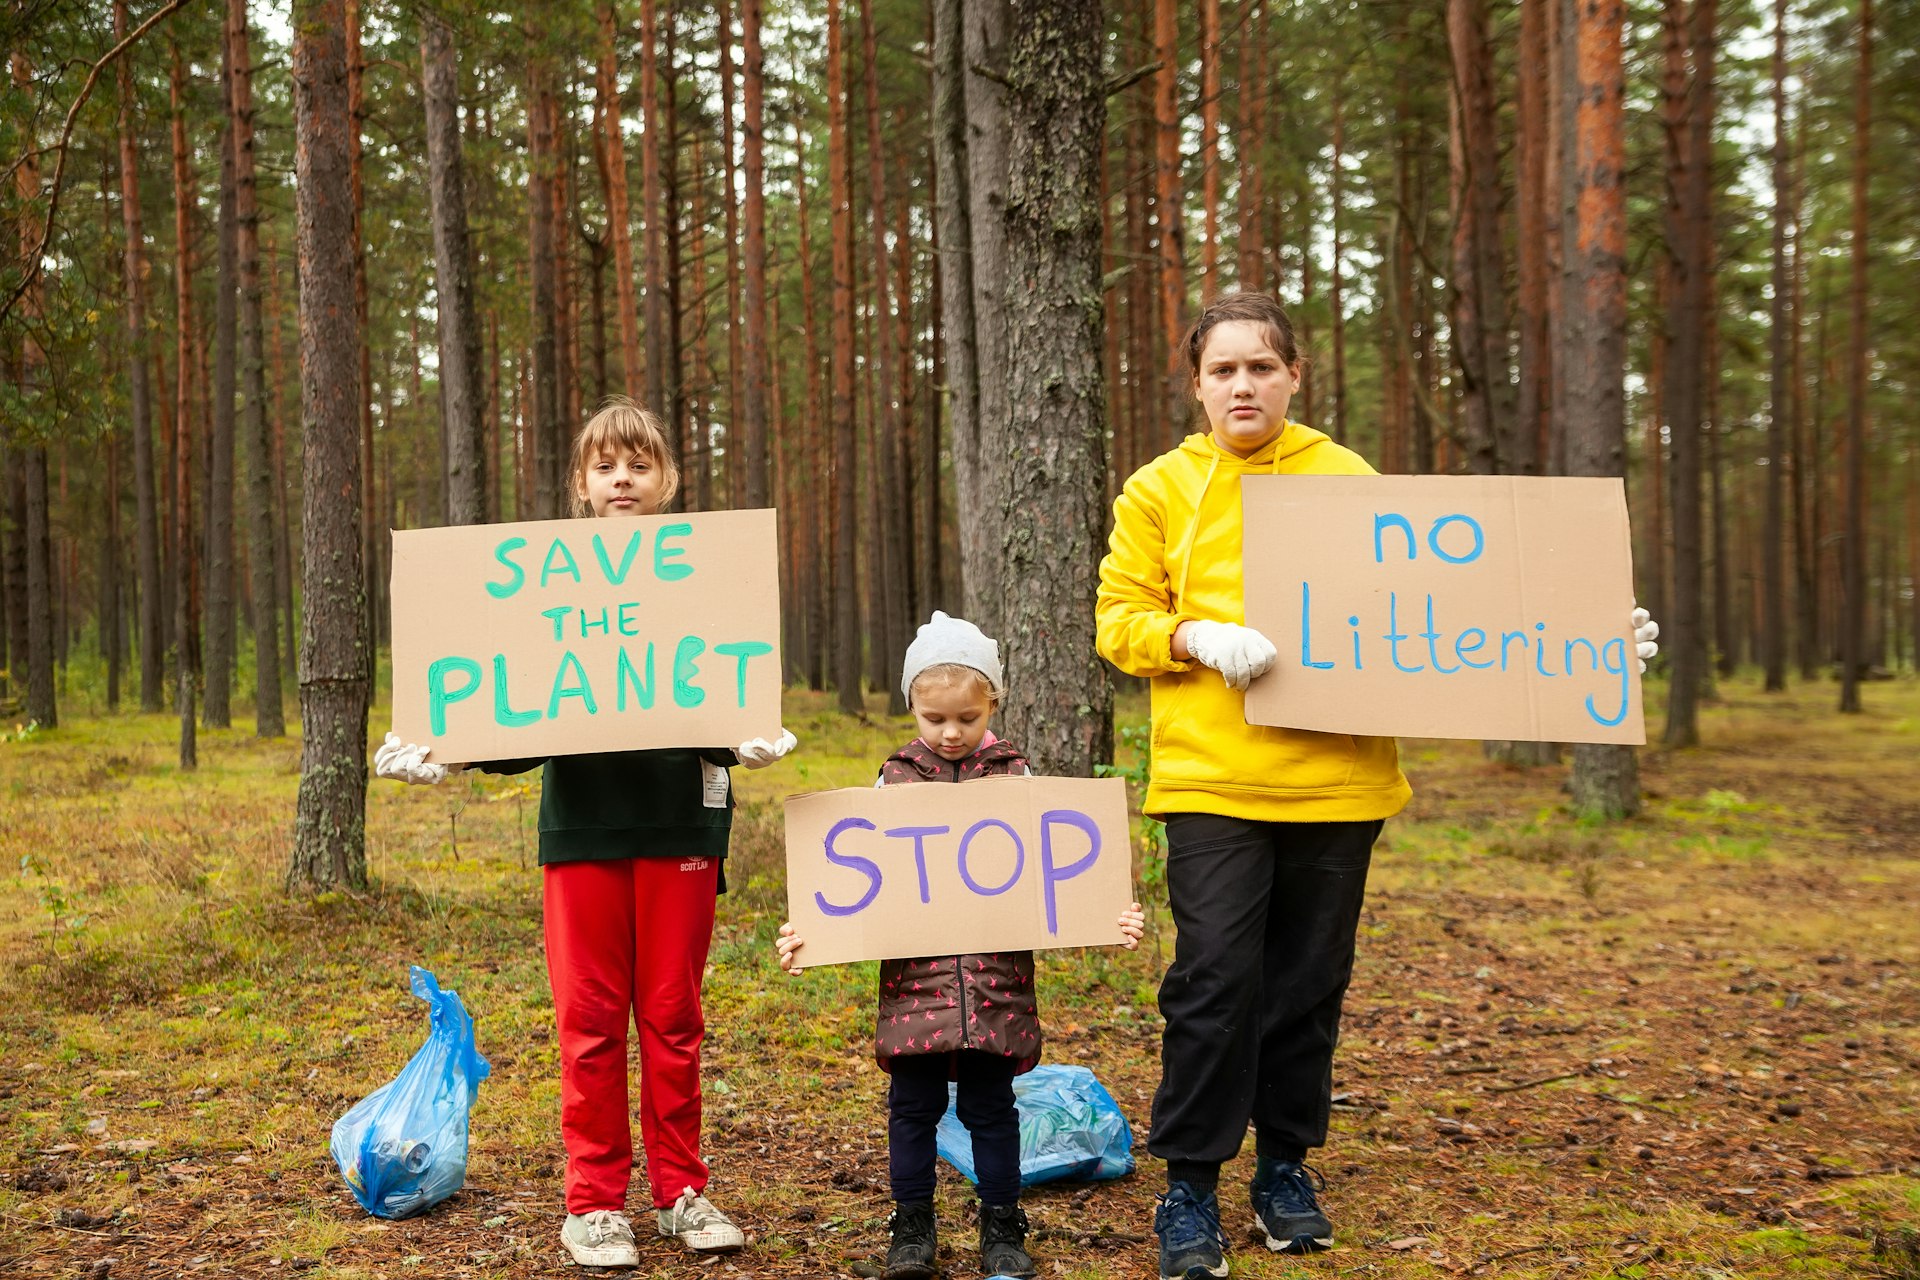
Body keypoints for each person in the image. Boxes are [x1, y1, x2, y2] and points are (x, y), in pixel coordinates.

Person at [1094, 292, 1660, 1280]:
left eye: (1260, 366)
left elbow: (1441, 605)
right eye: (1223, 369)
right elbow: (1118, 621)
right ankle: (1190, 1184)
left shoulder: (1345, 478)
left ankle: (1283, 1169)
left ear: (1293, 376)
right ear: (1195, 383)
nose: (1242, 384)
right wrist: (1194, 635)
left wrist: (1590, 640)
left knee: (1308, 983)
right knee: (1214, 980)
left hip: (1341, 782)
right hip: (1212, 781)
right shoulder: (1158, 489)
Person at [375, 397, 798, 1269]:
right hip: (581, 836)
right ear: (581, 484)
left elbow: (720, 688)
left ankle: (681, 1189)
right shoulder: (549, 585)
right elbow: (520, 707)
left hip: (682, 826)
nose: (623, 480)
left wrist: (742, 739)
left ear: (666, 479)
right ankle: (595, 1203)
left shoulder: (702, 577)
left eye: (639, 465)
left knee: (675, 1020)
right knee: (592, 1021)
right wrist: (447, 751)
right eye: (606, 466)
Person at [774, 612, 1147, 1280]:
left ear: (993, 706)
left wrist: (1108, 916)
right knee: (911, 1111)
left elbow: (1060, 874)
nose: (949, 733)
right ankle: (911, 1228)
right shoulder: (892, 782)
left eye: (966, 719)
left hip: (995, 988)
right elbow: (855, 883)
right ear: (912, 706)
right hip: (915, 992)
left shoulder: (1017, 782)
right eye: (933, 718)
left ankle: (1003, 1225)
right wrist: (809, 932)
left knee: (991, 1111)